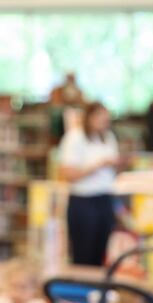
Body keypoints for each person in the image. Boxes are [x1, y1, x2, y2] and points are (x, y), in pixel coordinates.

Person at [59, 101, 120, 266]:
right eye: (101, 118)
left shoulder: (108, 137)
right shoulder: (75, 138)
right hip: (83, 201)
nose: (104, 122)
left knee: (100, 252)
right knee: (83, 252)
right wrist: (97, 165)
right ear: (90, 117)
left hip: (105, 198)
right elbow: (68, 174)